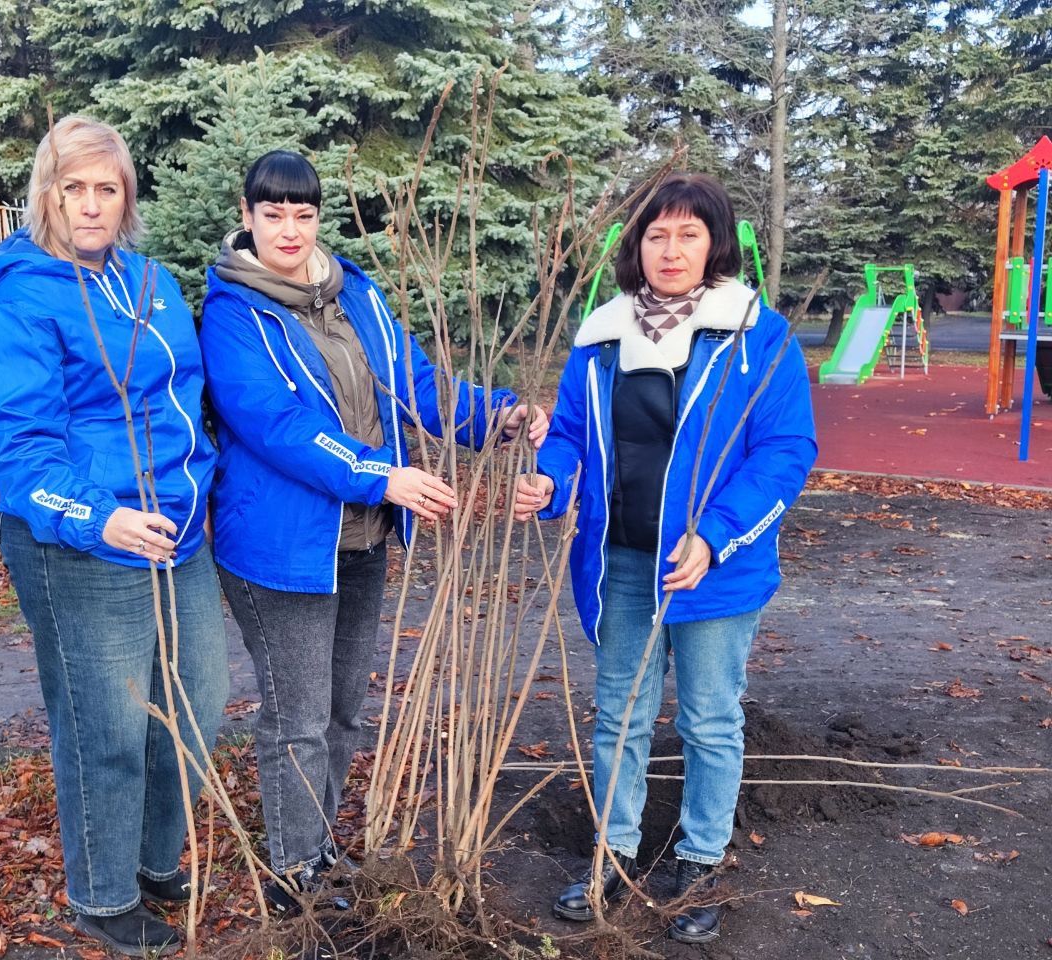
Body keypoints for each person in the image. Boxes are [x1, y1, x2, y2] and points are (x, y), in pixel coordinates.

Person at [200, 149, 548, 912]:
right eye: (272, 213)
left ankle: (318, 846)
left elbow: (415, 382)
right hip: (281, 551)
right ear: (247, 213)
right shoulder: (232, 313)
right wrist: (379, 475)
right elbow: (275, 425)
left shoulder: (353, 292)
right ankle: (296, 871)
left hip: (360, 541)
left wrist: (497, 413)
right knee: (296, 718)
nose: (289, 230)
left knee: (342, 712)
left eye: (303, 214)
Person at [513, 173, 817, 943]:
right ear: (636, 246)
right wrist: (549, 483)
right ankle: (611, 853)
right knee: (619, 714)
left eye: (688, 234)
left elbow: (785, 453)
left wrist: (713, 534)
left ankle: (700, 858)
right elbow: (575, 437)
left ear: (715, 243)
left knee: (711, 720)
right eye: (657, 235)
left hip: (711, 568)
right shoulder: (602, 337)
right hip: (620, 560)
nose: (671, 250)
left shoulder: (758, 337)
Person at [0, 115, 229, 957]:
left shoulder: (153, 284)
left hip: (174, 534)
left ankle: (157, 861)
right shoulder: (21, 299)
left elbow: (187, 399)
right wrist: (98, 513)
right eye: (72, 188)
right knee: (107, 726)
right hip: (82, 541)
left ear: (126, 199)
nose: (90, 205)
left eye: (106, 189)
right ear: (48, 195)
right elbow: (20, 447)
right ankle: (104, 895)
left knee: (195, 705)